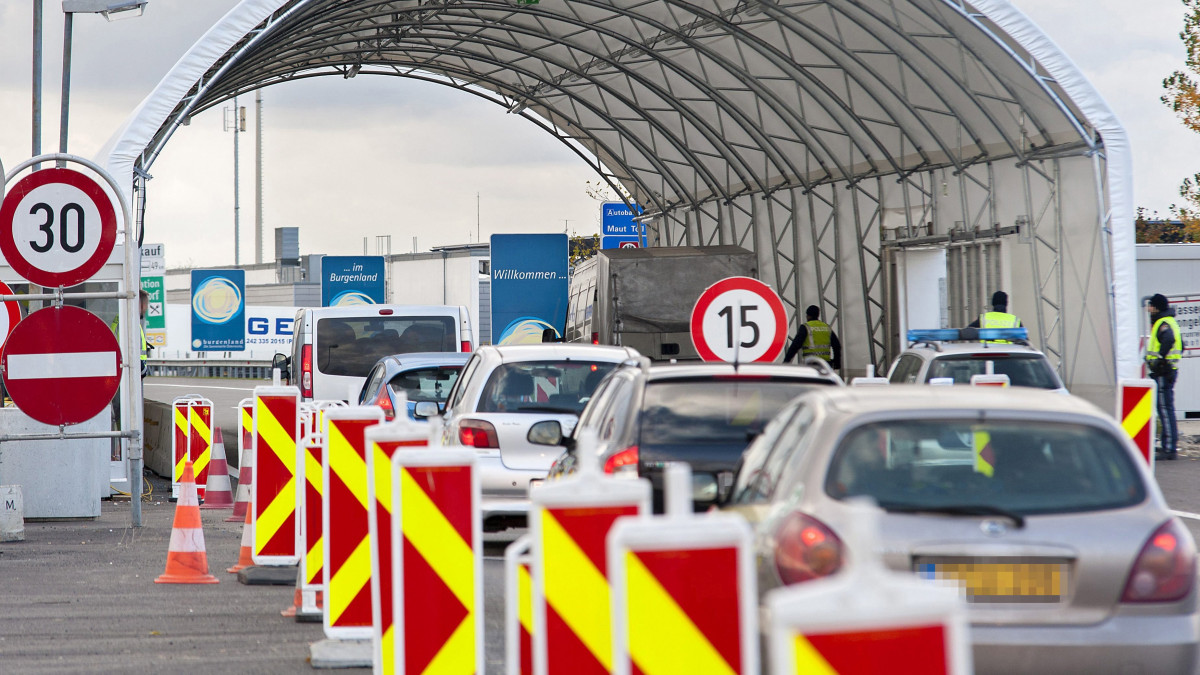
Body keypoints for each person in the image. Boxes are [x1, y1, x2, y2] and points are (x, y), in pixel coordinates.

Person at [1147, 293, 1182, 460]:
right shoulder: (1170, 321)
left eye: (1151, 306)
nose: (1148, 308)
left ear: (1157, 307)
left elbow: (1169, 339)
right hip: (1169, 371)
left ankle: (1169, 448)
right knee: (1167, 408)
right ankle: (1168, 444)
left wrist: (1160, 360)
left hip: (1163, 372)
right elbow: (1182, 344)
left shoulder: (1163, 323)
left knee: (1164, 409)